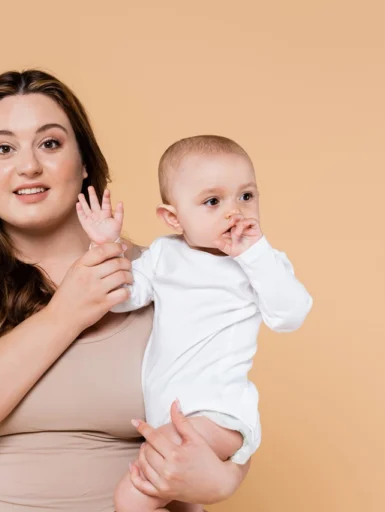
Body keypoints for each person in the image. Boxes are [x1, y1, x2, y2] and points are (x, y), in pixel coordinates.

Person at [0, 69, 250, 511]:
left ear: (83, 164)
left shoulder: (166, 272)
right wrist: (65, 313)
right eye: (4, 148)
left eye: (50, 143)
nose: (28, 166)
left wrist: (224, 480)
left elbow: (225, 404)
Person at [76, 135, 313, 511]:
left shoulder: (259, 262)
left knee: (131, 497)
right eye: (213, 201)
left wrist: (256, 256)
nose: (234, 212)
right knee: (179, 504)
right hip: (169, 416)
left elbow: (290, 315)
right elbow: (122, 298)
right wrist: (106, 245)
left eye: (246, 196)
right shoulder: (164, 255)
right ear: (173, 217)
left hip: (219, 414)